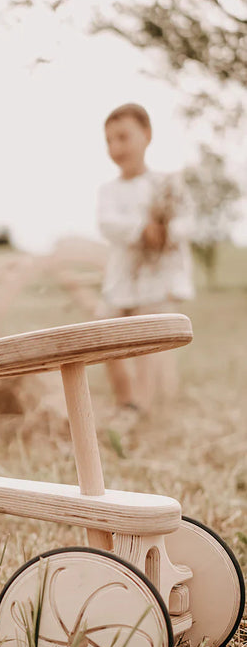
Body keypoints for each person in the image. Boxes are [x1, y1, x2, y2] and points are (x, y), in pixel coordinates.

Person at [97, 103, 194, 414]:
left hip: (155, 275)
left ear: (147, 135)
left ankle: (143, 404)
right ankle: (124, 400)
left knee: (146, 341)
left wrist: (167, 232)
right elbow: (108, 224)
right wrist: (141, 230)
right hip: (122, 276)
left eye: (124, 137)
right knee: (105, 334)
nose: (116, 147)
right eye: (110, 140)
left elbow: (187, 220)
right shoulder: (109, 190)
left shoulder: (165, 184)